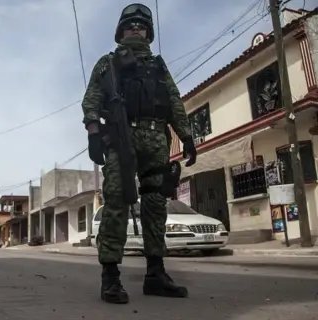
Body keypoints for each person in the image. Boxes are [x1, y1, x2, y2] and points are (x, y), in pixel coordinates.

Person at [81, 3, 197, 304]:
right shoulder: (109, 63)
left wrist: (186, 136)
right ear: (120, 32)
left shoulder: (159, 66)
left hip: (157, 140)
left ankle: (156, 274)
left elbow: (174, 102)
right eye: (130, 25)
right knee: (117, 201)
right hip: (121, 137)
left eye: (141, 26)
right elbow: (92, 97)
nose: (136, 29)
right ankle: (111, 278)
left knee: (156, 206)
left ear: (149, 32)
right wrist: (94, 133)